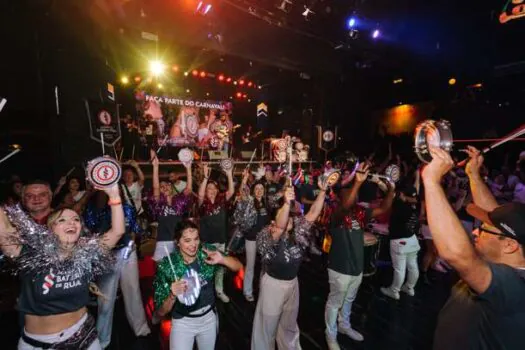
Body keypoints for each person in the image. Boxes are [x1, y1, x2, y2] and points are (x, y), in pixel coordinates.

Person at [422, 145, 525, 350]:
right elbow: (491, 213)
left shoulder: (515, 286)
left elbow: (459, 255)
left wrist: (432, 182)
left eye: (483, 231)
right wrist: (474, 174)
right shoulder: (506, 253)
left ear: (510, 245)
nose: (475, 232)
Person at [0, 184, 125, 350]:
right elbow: (4, 232)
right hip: (39, 344)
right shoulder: (31, 254)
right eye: (62, 220)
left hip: (85, 337)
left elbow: (117, 231)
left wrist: (114, 194)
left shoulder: (86, 252)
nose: (71, 223)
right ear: (50, 229)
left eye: (75, 219)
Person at [251, 178, 327, 350]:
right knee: (267, 328)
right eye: (286, 214)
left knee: (289, 326)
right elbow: (280, 225)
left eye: (292, 215)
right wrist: (286, 203)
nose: (290, 220)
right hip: (273, 285)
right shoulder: (267, 234)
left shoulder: (297, 228)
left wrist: (323, 191)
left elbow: (313, 213)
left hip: (293, 284)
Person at [325, 163, 394, 349]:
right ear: (341, 198)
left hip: (356, 266)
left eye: (355, 194)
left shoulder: (361, 213)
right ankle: (330, 335)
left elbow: (385, 208)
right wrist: (357, 182)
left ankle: (344, 326)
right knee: (335, 302)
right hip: (340, 266)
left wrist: (391, 190)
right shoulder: (336, 213)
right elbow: (346, 204)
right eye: (350, 194)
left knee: (349, 299)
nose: (354, 196)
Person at [153, 220, 242, 350]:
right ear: (177, 242)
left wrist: (222, 259)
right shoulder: (167, 266)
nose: (193, 245)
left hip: (208, 320)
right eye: (187, 240)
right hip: (183, 324)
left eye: (196, 239)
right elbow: (160, 312)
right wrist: (172, 295)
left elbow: (238, 266)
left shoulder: (206, 252)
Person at [84, 189, 151, 349]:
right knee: (106, 298)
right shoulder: (93, 208)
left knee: (133, 290)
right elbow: (90, 228)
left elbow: (134, 227)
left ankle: (140, 328)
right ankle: (102, 338)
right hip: (107, 254)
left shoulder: (126, 207)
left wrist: (133, 242)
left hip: (128, 252)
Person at [381, 168, 423, 300]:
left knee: (399, 268)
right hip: (412, 238)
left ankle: (394, 291)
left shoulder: (399, 199)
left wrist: (379, 182)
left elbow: (388, 191)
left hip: (399, 239)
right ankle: (410, 288)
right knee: (412, 265)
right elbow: (416, 187)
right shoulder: (415, 200)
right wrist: (417, 176)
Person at [198, 163, 235, 303]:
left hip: (221, 240)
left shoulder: (221, 201)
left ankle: (219, 291)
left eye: (214, 188)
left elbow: (231, 191)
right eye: (209, 188)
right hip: (207, 242)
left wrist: (229, 173)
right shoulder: (203, 204)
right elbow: (200, 195)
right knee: (207, 269)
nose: (211, 190)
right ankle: (206, 292)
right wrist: (205, 178)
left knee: (220, 268)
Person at [149, 150, 193, 261]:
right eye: (161, 187)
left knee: (180, 273)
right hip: (163, 242)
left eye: (166, 185)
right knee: (162, 275)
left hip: (178, 242)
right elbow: (155, 188)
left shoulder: (178, 201)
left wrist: (188, 168)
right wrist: (155, 167)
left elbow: (188, 189)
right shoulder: (159, 204)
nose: (164, 187)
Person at [235, 169, 271, 302]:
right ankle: (247, 291)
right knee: (250, 266)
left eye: (261, 188)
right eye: (257, 188)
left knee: (264, 266)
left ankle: (263, 290)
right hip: (251, 239)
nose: (259, 190)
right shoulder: (249, 202)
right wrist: (244, 180)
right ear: (253, 190)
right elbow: (243, 193)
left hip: (264, 239)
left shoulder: (267, 204)